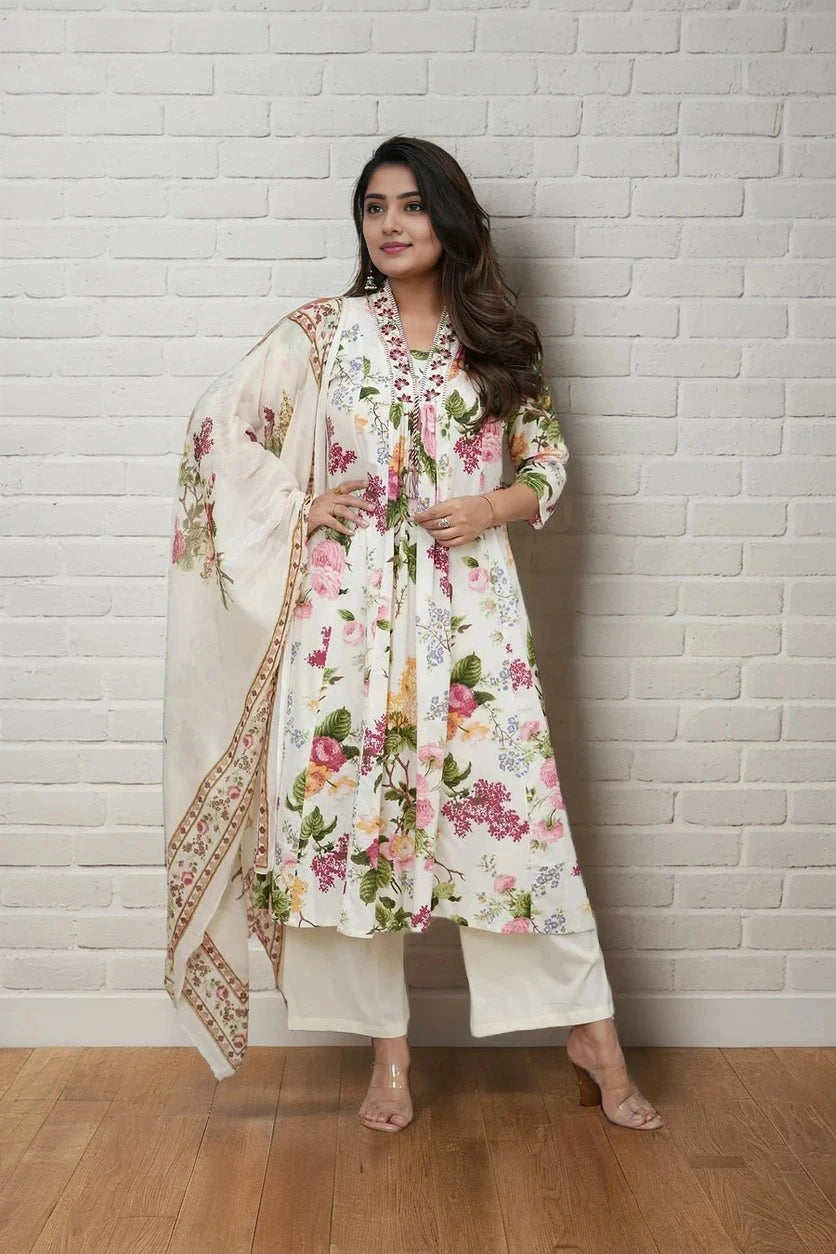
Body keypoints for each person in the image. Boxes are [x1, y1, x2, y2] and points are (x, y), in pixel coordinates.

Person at [163, 136, 663, 1136]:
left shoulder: (500, 341)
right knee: (356, 827)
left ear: (448, 217)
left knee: (513, 826)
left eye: (410, 205)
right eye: (374, 207)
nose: (390, 225)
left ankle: (590, 1036)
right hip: (344, 623)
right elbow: (218, 430)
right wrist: (299, 506)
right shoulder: (324, 333)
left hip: (471, 617)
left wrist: (490, 508)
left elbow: (548, 464)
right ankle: (387, 1056)